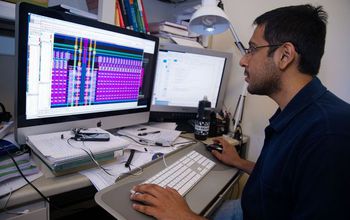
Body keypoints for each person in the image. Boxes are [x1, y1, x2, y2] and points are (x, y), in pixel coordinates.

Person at [130, 4, 350, 220]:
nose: (244, 60)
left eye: (252, 49)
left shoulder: (329, 136)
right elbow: (284, 183)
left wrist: (183, 217)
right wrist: (239, 162)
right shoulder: (298, 113)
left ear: (285, 55)